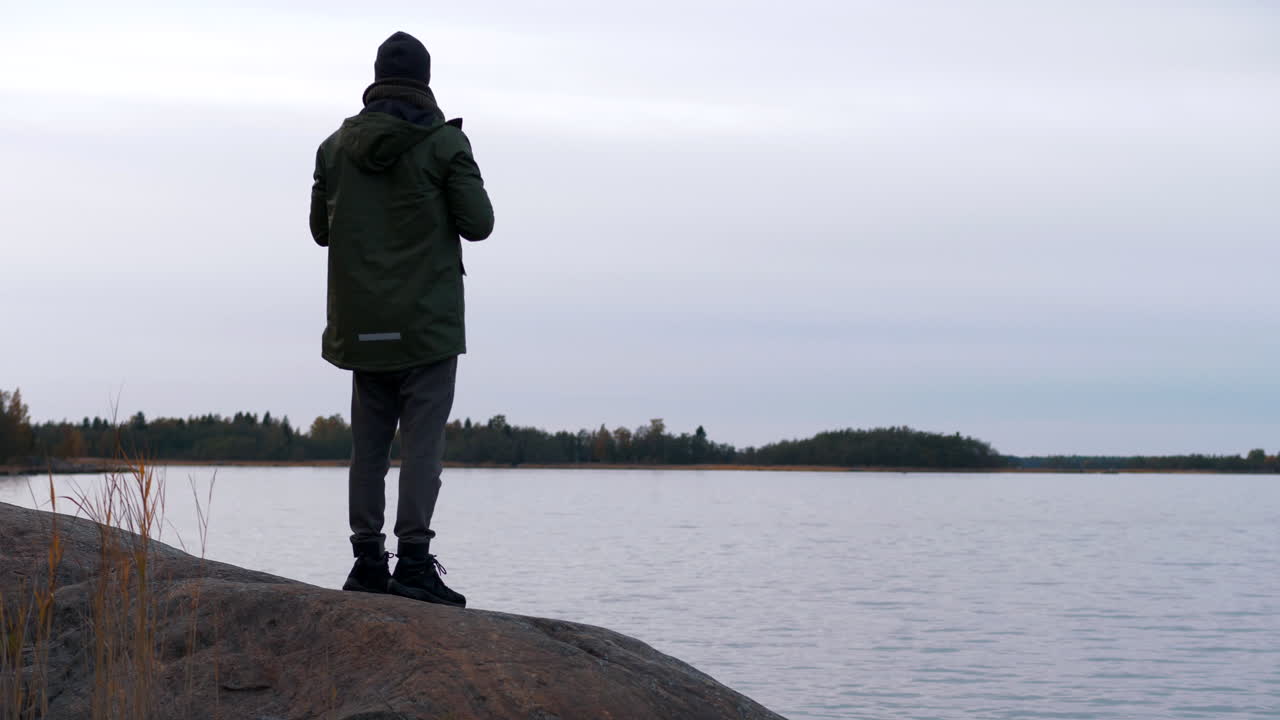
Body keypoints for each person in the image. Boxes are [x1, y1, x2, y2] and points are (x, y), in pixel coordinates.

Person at [309, 31, 493, 607]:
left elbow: (321, 231)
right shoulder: (443, 145)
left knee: (368, 449)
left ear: (376, 78)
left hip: (362, 325)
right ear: (426, 82)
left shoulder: (334, 148)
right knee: (422, 449)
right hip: (426, 328)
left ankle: (367, 563)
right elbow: (479, 222)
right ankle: (413, 564)